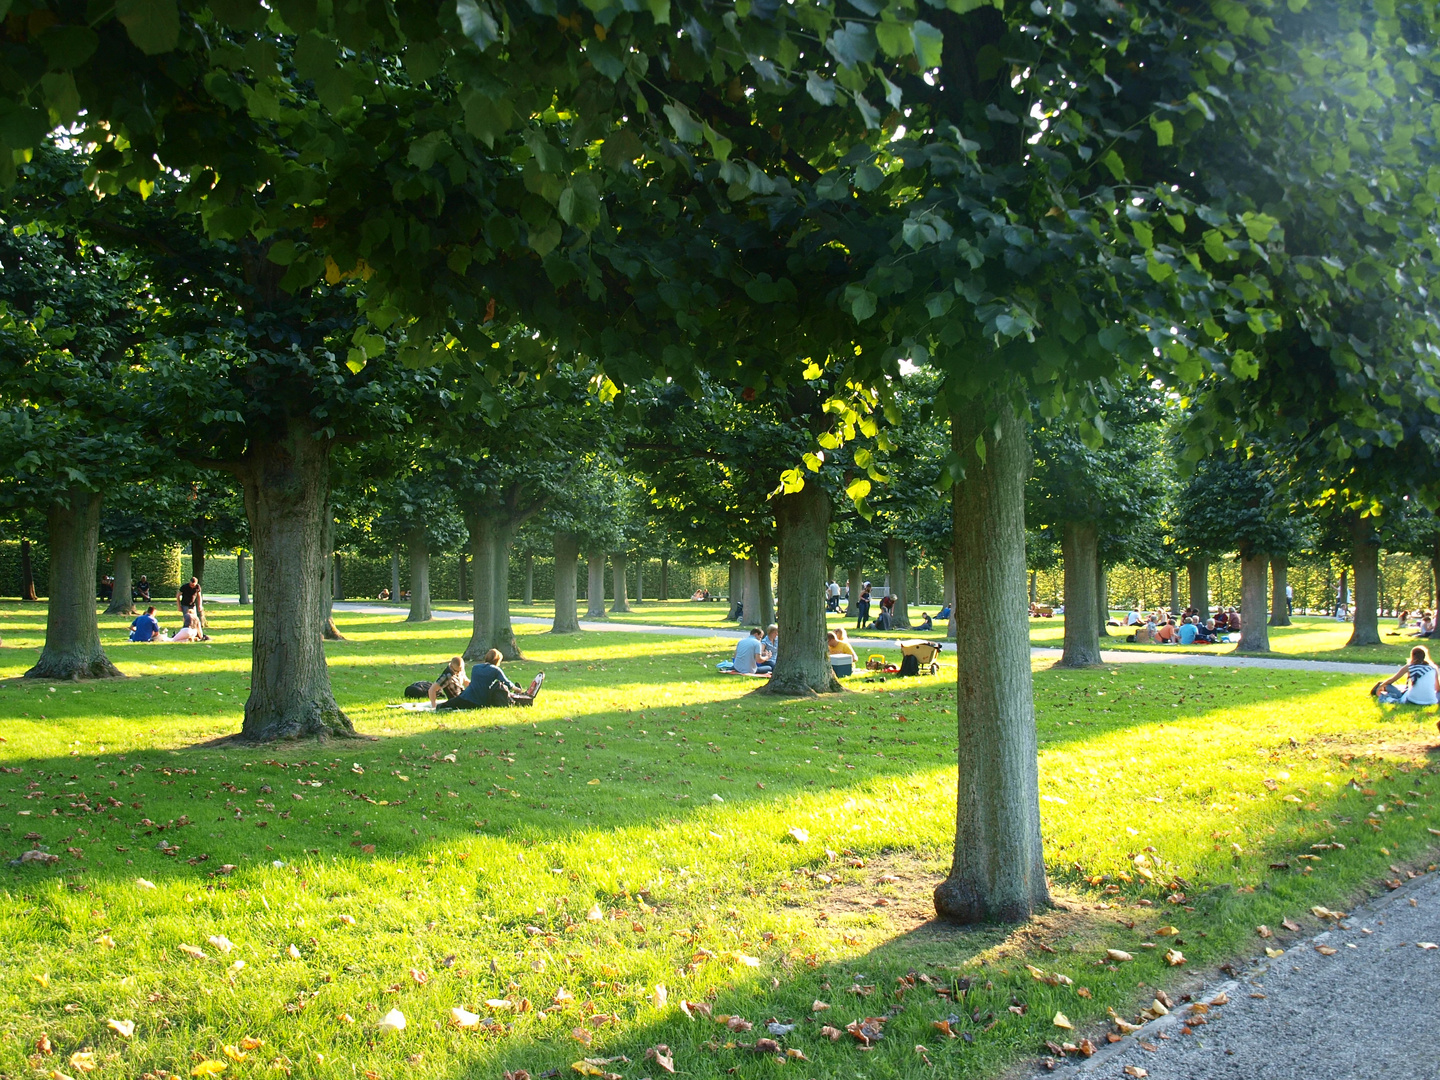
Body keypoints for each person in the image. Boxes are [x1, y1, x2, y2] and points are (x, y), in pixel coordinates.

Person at [437, 649, 520, 709]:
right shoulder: (495, 670)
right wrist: (517, 689)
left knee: (445, 705)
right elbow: (507, 683)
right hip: (480, 701)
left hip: (465, 696)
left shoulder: (475, 667)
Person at [1371, 645, 1440, 706]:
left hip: (1411, 700)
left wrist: (1380, 687)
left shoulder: (1409, 667)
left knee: (1388, 686)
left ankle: (1387, 697)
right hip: (1431, 701)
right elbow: (1437, 689)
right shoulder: (1433, 668)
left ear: (1412, 656)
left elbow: (1391, 681)